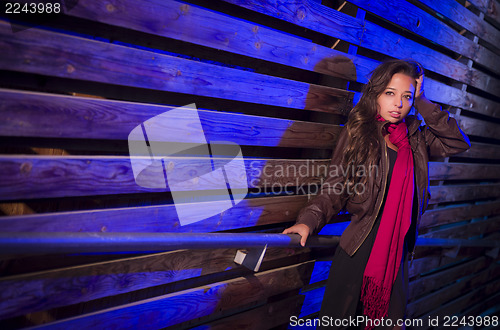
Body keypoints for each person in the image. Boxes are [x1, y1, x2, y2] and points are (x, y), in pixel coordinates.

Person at [283, 59, 470, 329]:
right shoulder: (360, 132)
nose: (398, 104)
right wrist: (308, 220)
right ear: (376, 93)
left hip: (399, 253)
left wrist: (423, 100)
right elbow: (336, 187)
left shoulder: (417, 138)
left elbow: (457, 142)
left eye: (406, 96)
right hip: (360, 248)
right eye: (390, 93)